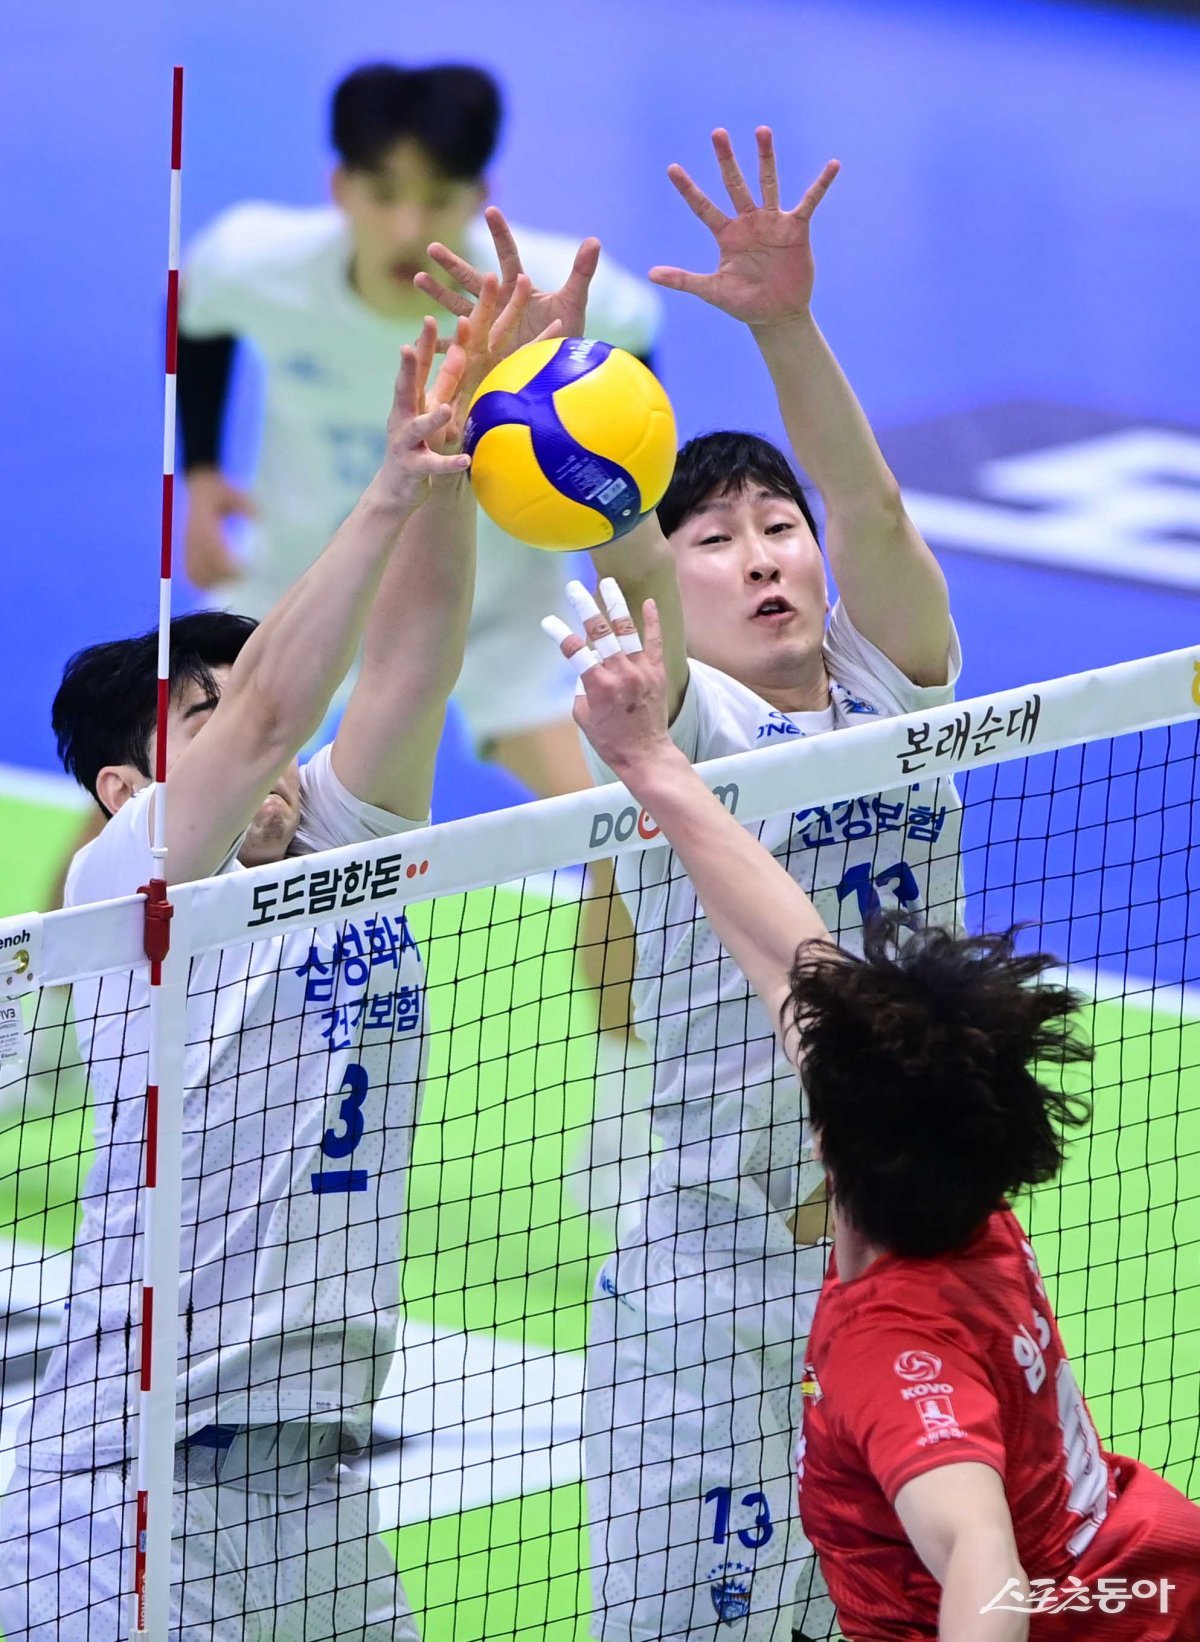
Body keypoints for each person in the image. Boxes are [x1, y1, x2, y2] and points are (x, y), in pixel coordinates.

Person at [425, 128, 961, 1638]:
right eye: (716, 541)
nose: (764, 556)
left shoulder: (898, 682)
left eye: (778, 529)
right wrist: (569, 415)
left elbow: (877, 512)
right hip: (712, 1300)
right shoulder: (687, 723)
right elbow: (639, 580)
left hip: (909, 1256)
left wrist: (785, 324)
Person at [0, 281, 536, 1640]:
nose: (268, 743)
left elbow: (411, 662)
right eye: (208, 715)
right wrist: (380, 491)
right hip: (123, 1484)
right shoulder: (134, 883)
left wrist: (454, 459)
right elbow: (280, 707)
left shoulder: (340, 852)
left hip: (317, 1483)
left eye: (254, 710)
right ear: (128, 787)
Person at [546, 586, 1200, 1641]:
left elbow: (981, 1561)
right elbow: (792, 960)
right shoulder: (973, 1206)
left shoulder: (891, 1347)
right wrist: (650, 761)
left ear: (827, 1140)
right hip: (1149, 1576)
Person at [178, 60, 660, 808]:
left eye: (437, 199)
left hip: (496, 609)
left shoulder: (548, 294)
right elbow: (199, 319)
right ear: (340, 187)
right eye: (383, 194)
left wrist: (621, 531)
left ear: (481, 193)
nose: (408, 227)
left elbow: (635, 350)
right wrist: (203, 472)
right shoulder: (254, 261)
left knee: (623, 819)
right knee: (156, 811)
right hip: (299, 588)